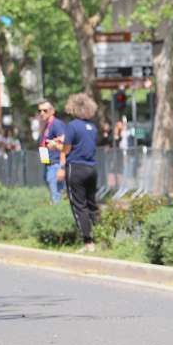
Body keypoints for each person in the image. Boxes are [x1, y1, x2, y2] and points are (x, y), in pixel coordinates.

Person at [57, 93, 101, 253]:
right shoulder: (92, 127)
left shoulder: (72, 126)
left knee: (78, 206)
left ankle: (88, 241)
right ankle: (101, 236)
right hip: (91, 168)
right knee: (92, 204)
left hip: (75, 168)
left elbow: (67, 149)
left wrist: (58, 151)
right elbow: (84, 144)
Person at [36, 101, 67, 203]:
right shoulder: (46, 125)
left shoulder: (56, 124)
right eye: (39, 111)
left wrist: (62, 168)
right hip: (48, 164)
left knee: (56, 197)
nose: (42, 113)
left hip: (56, 165)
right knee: (54, 197)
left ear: (52, 111)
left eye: (45, 110)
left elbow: (64, 144)